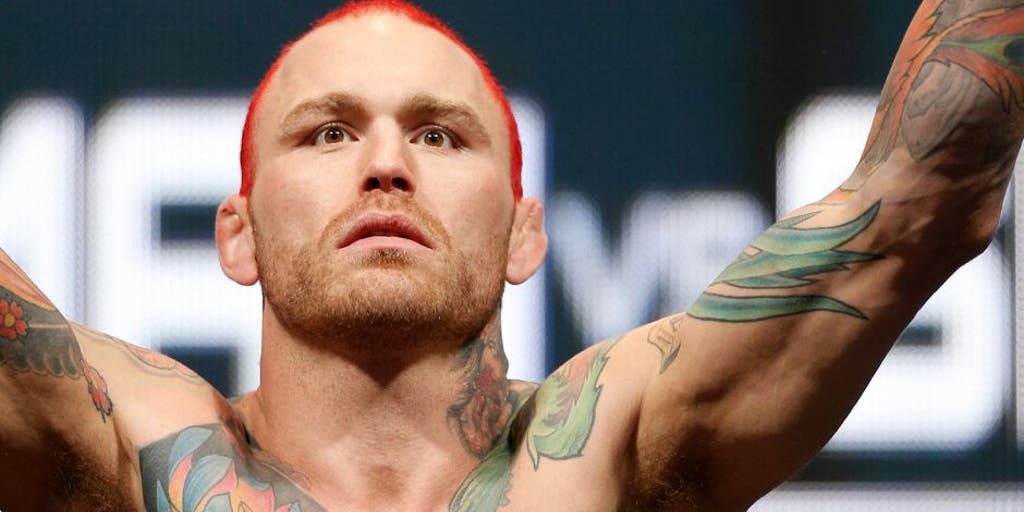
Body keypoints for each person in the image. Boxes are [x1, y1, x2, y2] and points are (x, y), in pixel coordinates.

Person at [1, 0, 1022, 510]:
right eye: (329, 133)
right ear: (237, 230)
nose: (387, 165)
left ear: (525, 232)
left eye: (441, 135)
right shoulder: (126, 445)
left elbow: (921, 198)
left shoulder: (610, 447)